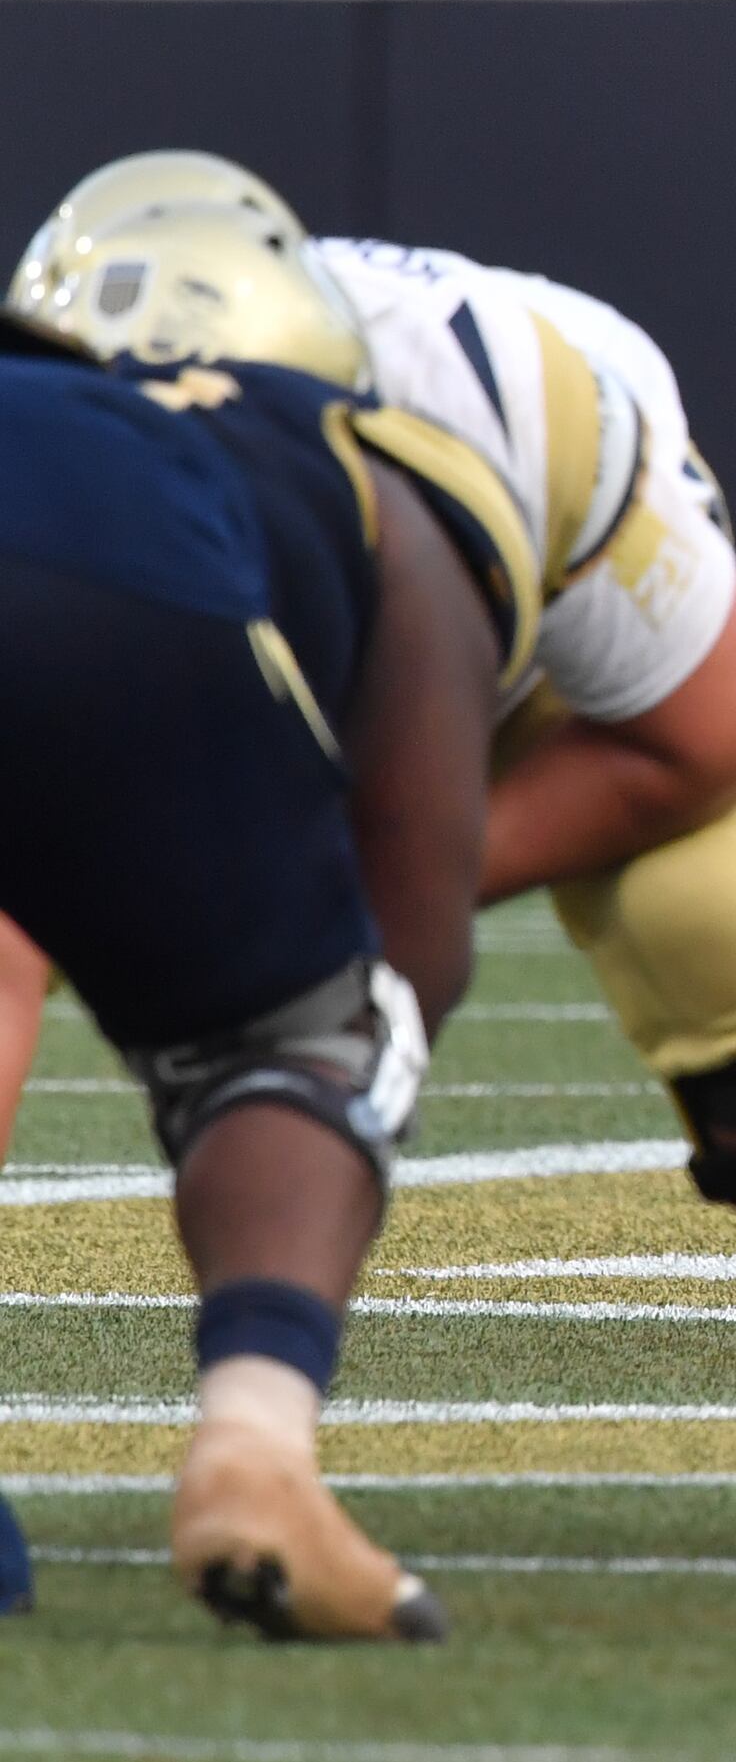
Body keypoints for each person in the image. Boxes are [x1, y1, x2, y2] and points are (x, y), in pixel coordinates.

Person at [5, 153, 736, 1573]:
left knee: (719, 926)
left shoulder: (523, 401)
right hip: (195, 663)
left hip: (531, 666)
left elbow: (711, 735)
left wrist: (309, 912)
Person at [0, 213, 538, 1641]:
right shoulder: (396, 478)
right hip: (134, 587)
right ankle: (253, 1449)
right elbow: (410, 952)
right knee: (309, 1036)